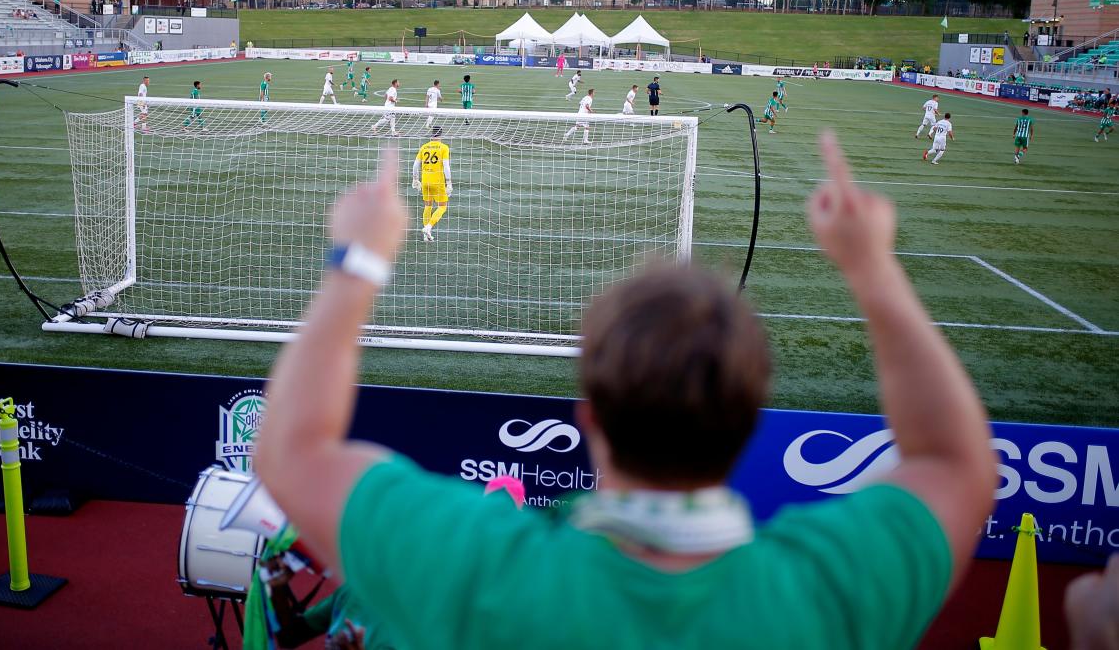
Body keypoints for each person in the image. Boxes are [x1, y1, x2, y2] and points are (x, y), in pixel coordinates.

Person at [254, 131, 996, 650]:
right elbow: (956, 462)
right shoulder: (831, 590)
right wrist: (874, 270)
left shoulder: (482, 569)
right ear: (748, 419)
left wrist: (358, 261)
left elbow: (293, 449)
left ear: (588, 417)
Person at [413, 126, 451, 242]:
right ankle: (428, 227)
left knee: (428, 206)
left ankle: (426, 236)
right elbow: (446, 166)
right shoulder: (443, 147)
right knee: (442, 206)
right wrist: (449, 182)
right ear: (441, 136)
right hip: (437, 181)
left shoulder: (424, 147)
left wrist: (415, 179)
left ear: (432, 135)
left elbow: (415, 165)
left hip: (425, 181)